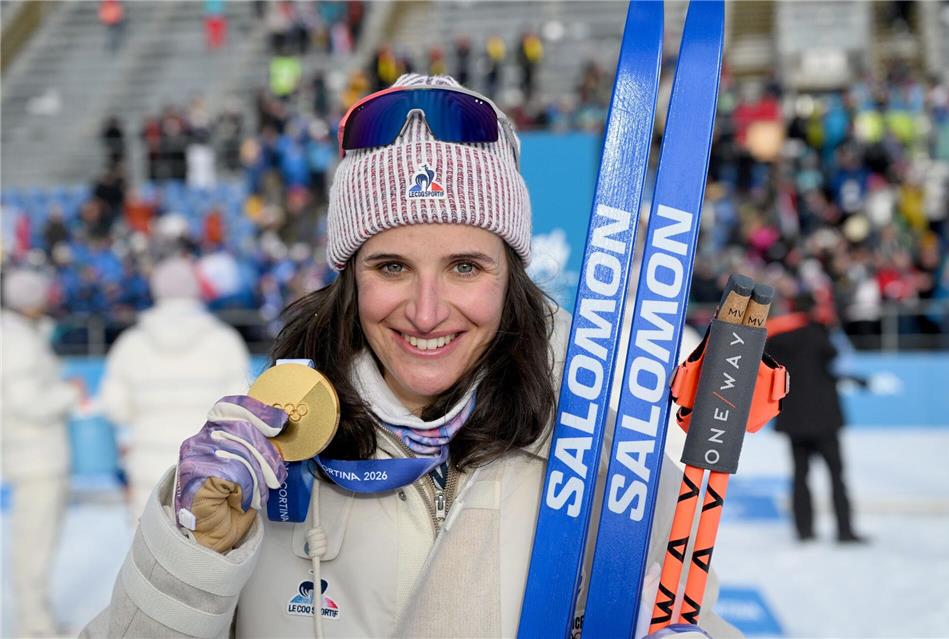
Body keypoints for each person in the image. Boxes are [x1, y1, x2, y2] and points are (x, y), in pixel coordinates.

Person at [83, 75, 739, 638]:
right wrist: (190, 560)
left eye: (464, 265)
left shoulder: (605, 463)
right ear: (350, 279)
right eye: (392, 265)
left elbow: (694, 611)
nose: (426, 312)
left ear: (509, 277)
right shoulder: (268, 469)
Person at [98, 256, 251, 521]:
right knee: (206, 553)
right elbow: (240, 410)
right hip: (209, 465)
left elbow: (115, 408)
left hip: (148, 463)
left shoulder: (131, 343)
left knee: (146, 552)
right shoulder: (225, 341)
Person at [1, 268, 81, 637]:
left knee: (35, 543)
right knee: (35, 544)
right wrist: (69, 393)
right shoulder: (17, 340)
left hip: (31, 453)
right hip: (36, 455)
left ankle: (36, 620)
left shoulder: (18, 334)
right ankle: (34, 626)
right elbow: (27, 401)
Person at [765, 293, 866, 543]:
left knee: (800, 476)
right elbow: (839, 363)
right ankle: (844, 530)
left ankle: (804, 531)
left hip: (794, 419)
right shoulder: (821, 334)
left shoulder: (777, 337)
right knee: (836, 475)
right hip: (824, 419)